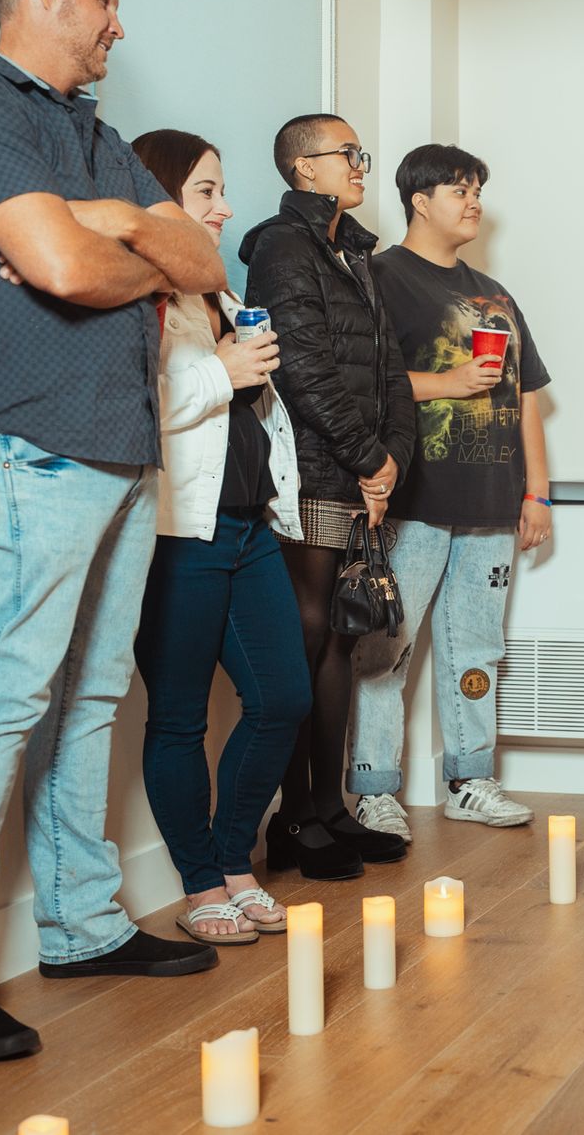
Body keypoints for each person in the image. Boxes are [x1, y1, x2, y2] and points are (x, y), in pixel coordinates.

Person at [0, 0, 229, 1063]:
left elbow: (203, 263)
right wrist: (104, 238)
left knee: (91, 698)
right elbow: (66, 271)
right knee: (7, 699)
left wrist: (115, 218)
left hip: (126, 447)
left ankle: (84, 922)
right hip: (32, 443)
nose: (117, 22)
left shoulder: (98, 135)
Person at [127, 129, 309, 943]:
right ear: (164, 199)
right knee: (178, 719)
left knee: (283, 699)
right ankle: (201, 883)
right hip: (178, 536)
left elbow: (259, 417)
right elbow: (126, 409)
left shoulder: (223, 299)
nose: (225, 207)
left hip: (249, 525)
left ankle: (236, 858)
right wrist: (220, 372)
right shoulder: (137, 298)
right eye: (205, 191)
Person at [348, 145, 553, 842]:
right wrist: (447, 383)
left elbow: (526, 397)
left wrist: (539, 494)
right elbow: (358, 385)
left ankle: (470, 778)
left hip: (494, 499)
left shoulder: (493, 293)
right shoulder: (380, 279)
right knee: (387, 644)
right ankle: (374, 787)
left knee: (477, 647)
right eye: (459, 190)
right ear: (419, 199)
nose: (474, 202)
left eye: (477, 191)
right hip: (413, 497)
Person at [242, 113, 415, 879]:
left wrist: (390, 463)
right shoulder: (283, 247)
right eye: (348, 154)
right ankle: (294, 820)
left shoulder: (353, 250)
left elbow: (391, 374)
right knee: (309, 635)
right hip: (312, 470)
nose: (360, 165)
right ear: (303, 169)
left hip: (355, 474)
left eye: (359, 153)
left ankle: (332, 807)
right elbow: (302, 369)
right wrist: (366, 457)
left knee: (340, 637)